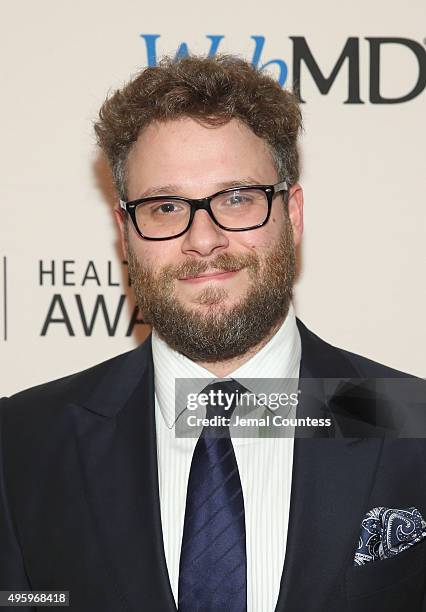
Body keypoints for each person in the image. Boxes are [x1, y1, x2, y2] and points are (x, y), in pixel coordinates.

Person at [0, 54, 425, 612]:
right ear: (125, 232)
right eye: (166, 206)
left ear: (291, 216)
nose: (203, 239)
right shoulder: (21, 444)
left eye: (237, 199)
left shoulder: (409, 423)